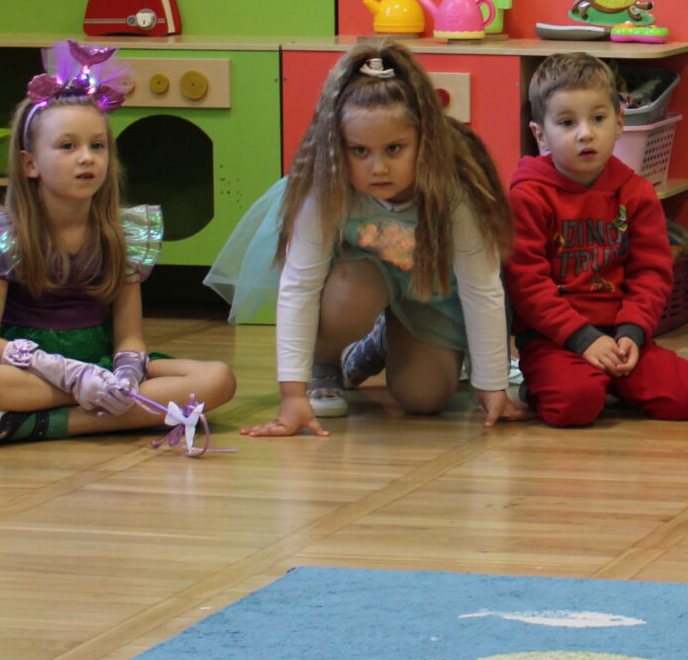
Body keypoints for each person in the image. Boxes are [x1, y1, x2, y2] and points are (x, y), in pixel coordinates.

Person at [207, 42, 518, 439]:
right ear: (339, 147)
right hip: (359, 281)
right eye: (359, 151)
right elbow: (299, 285)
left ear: (425, 140)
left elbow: (481, 285)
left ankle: (380, 343)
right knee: (349, 294)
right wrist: (292, 395)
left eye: (394, 149)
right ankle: (325, 363)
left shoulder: (453, 184)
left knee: (424, 398)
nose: (378, 168)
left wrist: (492, 387)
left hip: (430, 288)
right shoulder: (326, 187)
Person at [0, 42, 236, 443]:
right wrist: (69, 375)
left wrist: (125, 374)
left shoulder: (121, 235)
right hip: (30, 372)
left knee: (218, 379)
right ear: (29, 163)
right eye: (68, 146)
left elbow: (130, 335)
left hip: (103, 365)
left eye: (97, 146)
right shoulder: (5, 236)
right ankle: (106, 411)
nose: (86, 158)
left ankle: (44, 423)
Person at [504, 54, 688, 428]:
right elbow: (527, 285)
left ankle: (609, 382)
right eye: (567, 122)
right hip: (555, 340)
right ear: (540, 134)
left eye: (598, 119)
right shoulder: (528, 196)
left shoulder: (637, 192)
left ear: (619, 122)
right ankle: (549, 386)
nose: (585, 133)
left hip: (620, 334)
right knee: (575, 404)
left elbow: (651, 273)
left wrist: (633, 333)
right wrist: (582, 339)